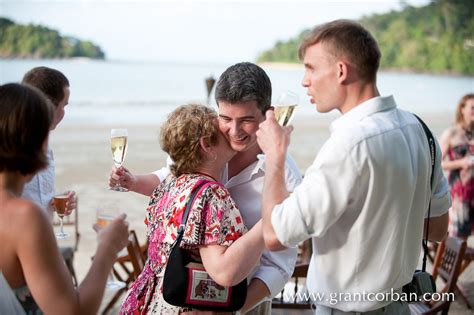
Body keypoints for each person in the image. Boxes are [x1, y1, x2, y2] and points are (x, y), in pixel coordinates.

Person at [256, 19, 451, 314]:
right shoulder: (420, 129)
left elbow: (274, 235)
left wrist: (275, 154)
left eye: (310, 68)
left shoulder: (348, 145)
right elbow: (437, 228)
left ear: (341, 71)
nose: (304, 81)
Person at [110, 62, 302, 314]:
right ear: (217, 112)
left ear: (269, 114)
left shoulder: (285, 176)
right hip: (177, 294)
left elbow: (279, 266)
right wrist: (133, 182)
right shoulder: (205, 148)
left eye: (245, 120)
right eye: (226, 118)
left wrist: (227, 310)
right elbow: (169, 179)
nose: (234, 131)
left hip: (242, 302)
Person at [120, 104, 265, 314]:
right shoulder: (211, 194)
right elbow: (224, 272)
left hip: (145, 302)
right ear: (207, 144)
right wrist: (270, 220)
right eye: (223, 131)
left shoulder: (170, 185)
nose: (232, 132)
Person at [0, 83, 129, 314]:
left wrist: (49, 210)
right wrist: (107, 249)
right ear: (34, 141)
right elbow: (72, 312)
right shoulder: (24, 216)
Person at [21, 66, 76, 222]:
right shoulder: (11, 151)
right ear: (47, 105)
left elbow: (37, 198)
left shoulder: (46, 149)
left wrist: (56, 203)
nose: (64, 113)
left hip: (42, 239)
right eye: (64, 105)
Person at [440, 93, 474, 239]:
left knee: (465, 238)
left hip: (473, 194)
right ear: (462, 109)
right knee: (456, 239)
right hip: (458, 196)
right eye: (472, 107)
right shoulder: (451, 133)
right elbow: (437, 164)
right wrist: (460, 163)